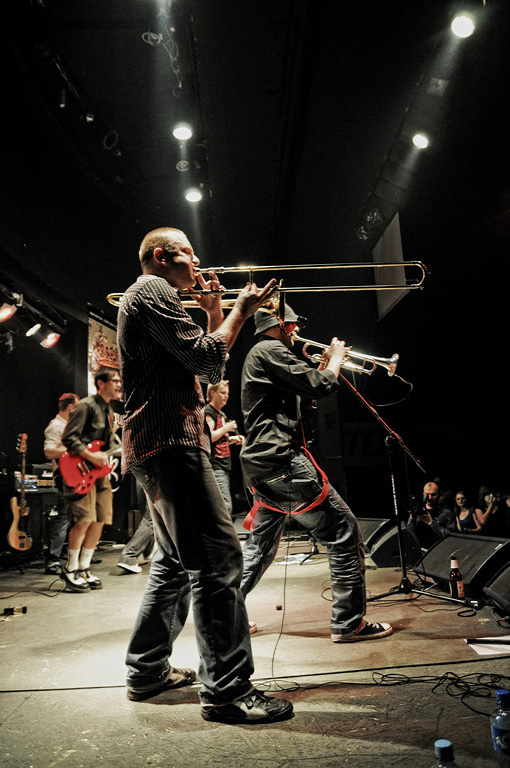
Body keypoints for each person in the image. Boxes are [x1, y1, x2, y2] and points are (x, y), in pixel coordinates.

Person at [117, 226, 293, 724]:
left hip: (160, 443)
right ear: (160, 256)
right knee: (218, 563)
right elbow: (206, 356)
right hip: (170, 443)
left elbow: (207, 372)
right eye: (188, 254)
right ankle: (227, 691)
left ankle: (147, 670)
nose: (197, 263)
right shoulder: (152, 290)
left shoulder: (158, 297)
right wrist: (242, 309)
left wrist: (217, 312)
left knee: (175, 563)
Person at [239, 299, 393, 643]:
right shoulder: (269, 349)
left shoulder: (263, 355)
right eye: (294, 327)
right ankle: (348, 623)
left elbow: (307, 395)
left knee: (259, 548)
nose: (298, 333)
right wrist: (336, 360)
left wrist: (325, 367)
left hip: (261, 465)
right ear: (283, 326)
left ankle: (227, 616)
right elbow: (322, 386)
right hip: (282, 461)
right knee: (343, 532)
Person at [60, 368, 122, 592]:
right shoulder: (85, 405)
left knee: (100, 519)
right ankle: (70, 568)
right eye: (114, 380)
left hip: (99, 473)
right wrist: (90, 455)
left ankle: (85, 567)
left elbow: (107, 446)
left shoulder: (107, 410)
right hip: (80, 469)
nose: (118, 385)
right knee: (83, 519)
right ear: (100, 383)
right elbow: (68, 437)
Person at [43, 392, 80, 574]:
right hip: (63, 475)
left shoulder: (68, 426)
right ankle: (52, 560)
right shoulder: (55, 426)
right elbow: (49, 452)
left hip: (74, 475)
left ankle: (72, 556)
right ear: (71, 407)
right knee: (63, 518)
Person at [205, 380, 244, 517]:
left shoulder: (221, 414)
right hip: (215, 465)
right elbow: (209, 437)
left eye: (227, 393)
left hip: (223, 465)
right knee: (225, 506)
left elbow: (219, 440)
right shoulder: (209, 412)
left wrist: (232, 439)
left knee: (223, 505)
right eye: (222, 393)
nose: (226, 396)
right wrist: (227, 428)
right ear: (212, 393)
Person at [116, 475, 155, 573]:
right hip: (156, 475)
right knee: (153, 519)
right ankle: (129, 556)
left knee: (148, 517)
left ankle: (147, 551)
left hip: (141, 475)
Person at [407, 480, 456, 549]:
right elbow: (408, 535)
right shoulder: (417, 511)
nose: (430, 498)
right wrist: (412, 519)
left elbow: (451, 536)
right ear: (423, 494)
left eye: (433, 495)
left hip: (439, 550)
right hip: (420, 551)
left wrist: (431, 523)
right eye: (427, 494)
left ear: (439, 495)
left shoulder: (446, 513)